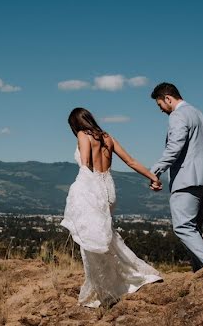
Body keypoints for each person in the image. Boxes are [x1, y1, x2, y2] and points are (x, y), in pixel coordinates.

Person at [61, 107, 163, 308]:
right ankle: (121, 279)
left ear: (75, 124)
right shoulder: (108, 138)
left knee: (92, 242)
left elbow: (85, 165)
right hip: (109, 188)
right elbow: (131, 161)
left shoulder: (83, 135)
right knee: (106, 236)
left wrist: (76, 195)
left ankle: (105, 291)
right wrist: (153, 177)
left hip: (92, 189)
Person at [149, 82, 203, 272]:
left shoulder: (178, 115)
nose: (161, 110)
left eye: (160, 105)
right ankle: (200, 274)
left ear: (168, 98)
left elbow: (175, 146)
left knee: (183, 227)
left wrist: (155, 170)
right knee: (194, 230)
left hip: (188, 179)